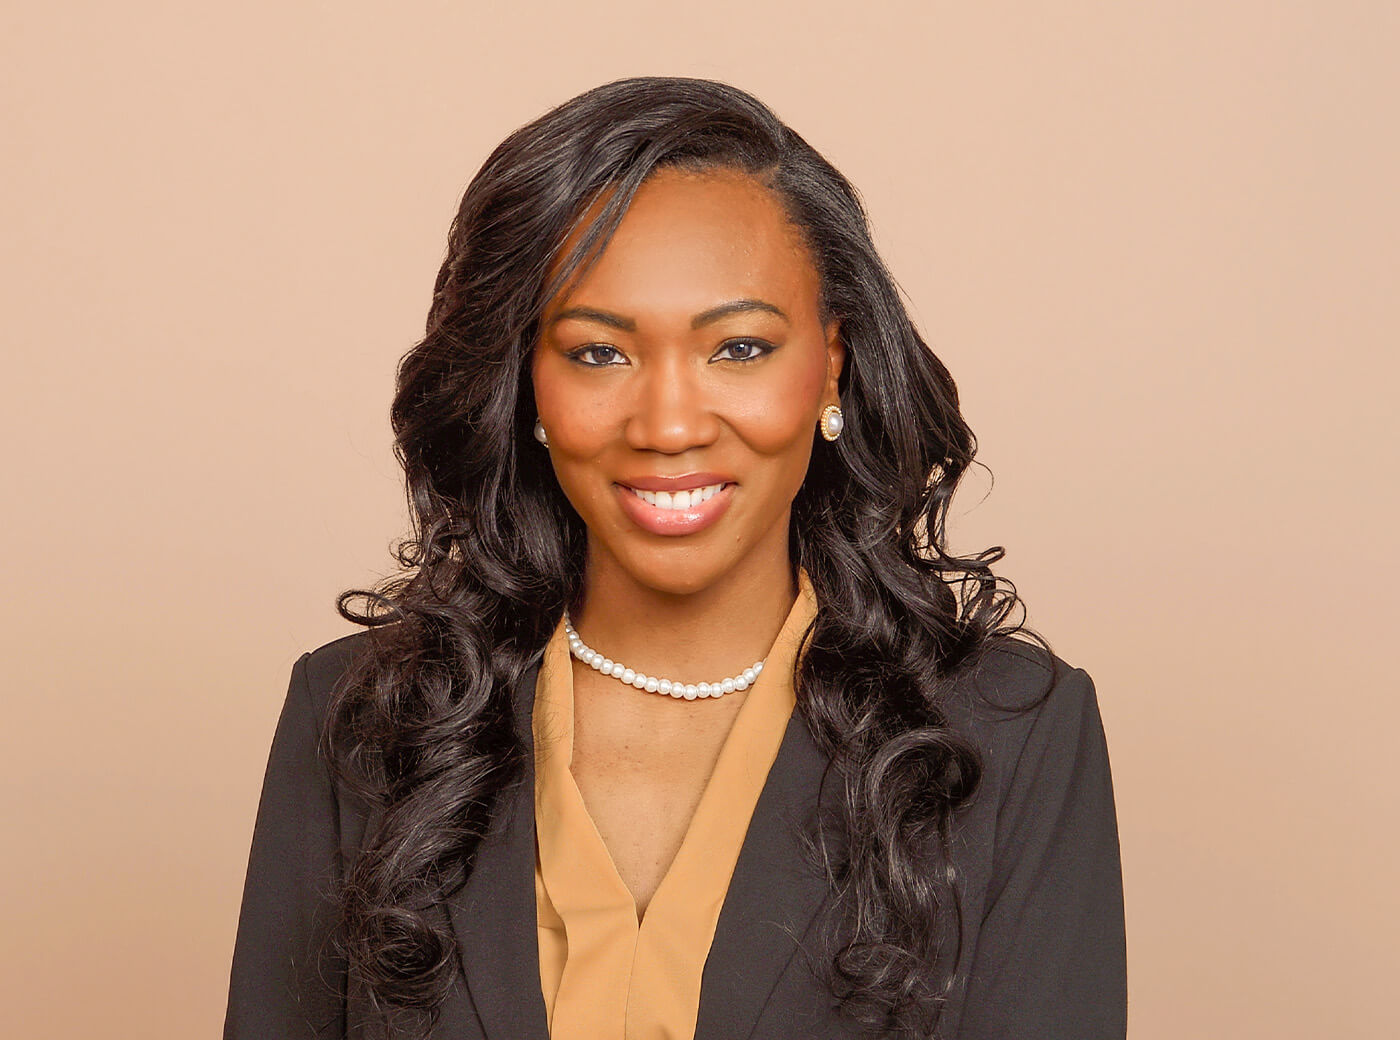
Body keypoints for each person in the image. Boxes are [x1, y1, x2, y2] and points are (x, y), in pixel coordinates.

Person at [223, 77, 1127, 1040]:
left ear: (832, 363)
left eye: (738, 348)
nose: (668, 425)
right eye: (598, 353)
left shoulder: (1011, 738)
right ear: (526, 382)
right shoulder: (363, 721)